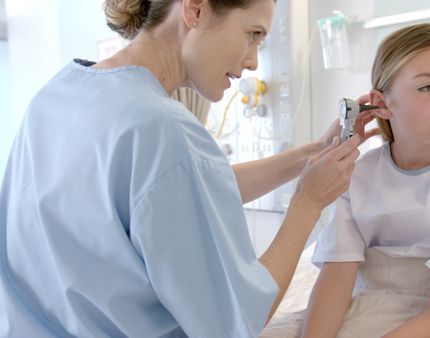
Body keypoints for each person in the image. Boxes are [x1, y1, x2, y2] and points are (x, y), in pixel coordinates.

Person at [0, 0, 380, 337]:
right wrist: (308, 203)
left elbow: (179, 189)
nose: (253, 61)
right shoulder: (165, 129)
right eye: (252, 34)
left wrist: (312, 153)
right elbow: (237, 320)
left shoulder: (57, 95)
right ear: (195, 9)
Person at [260, 23, 430, 338]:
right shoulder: (356, 177)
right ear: (382, 102)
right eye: (428, 87)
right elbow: (336, 279)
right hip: (368, 305)